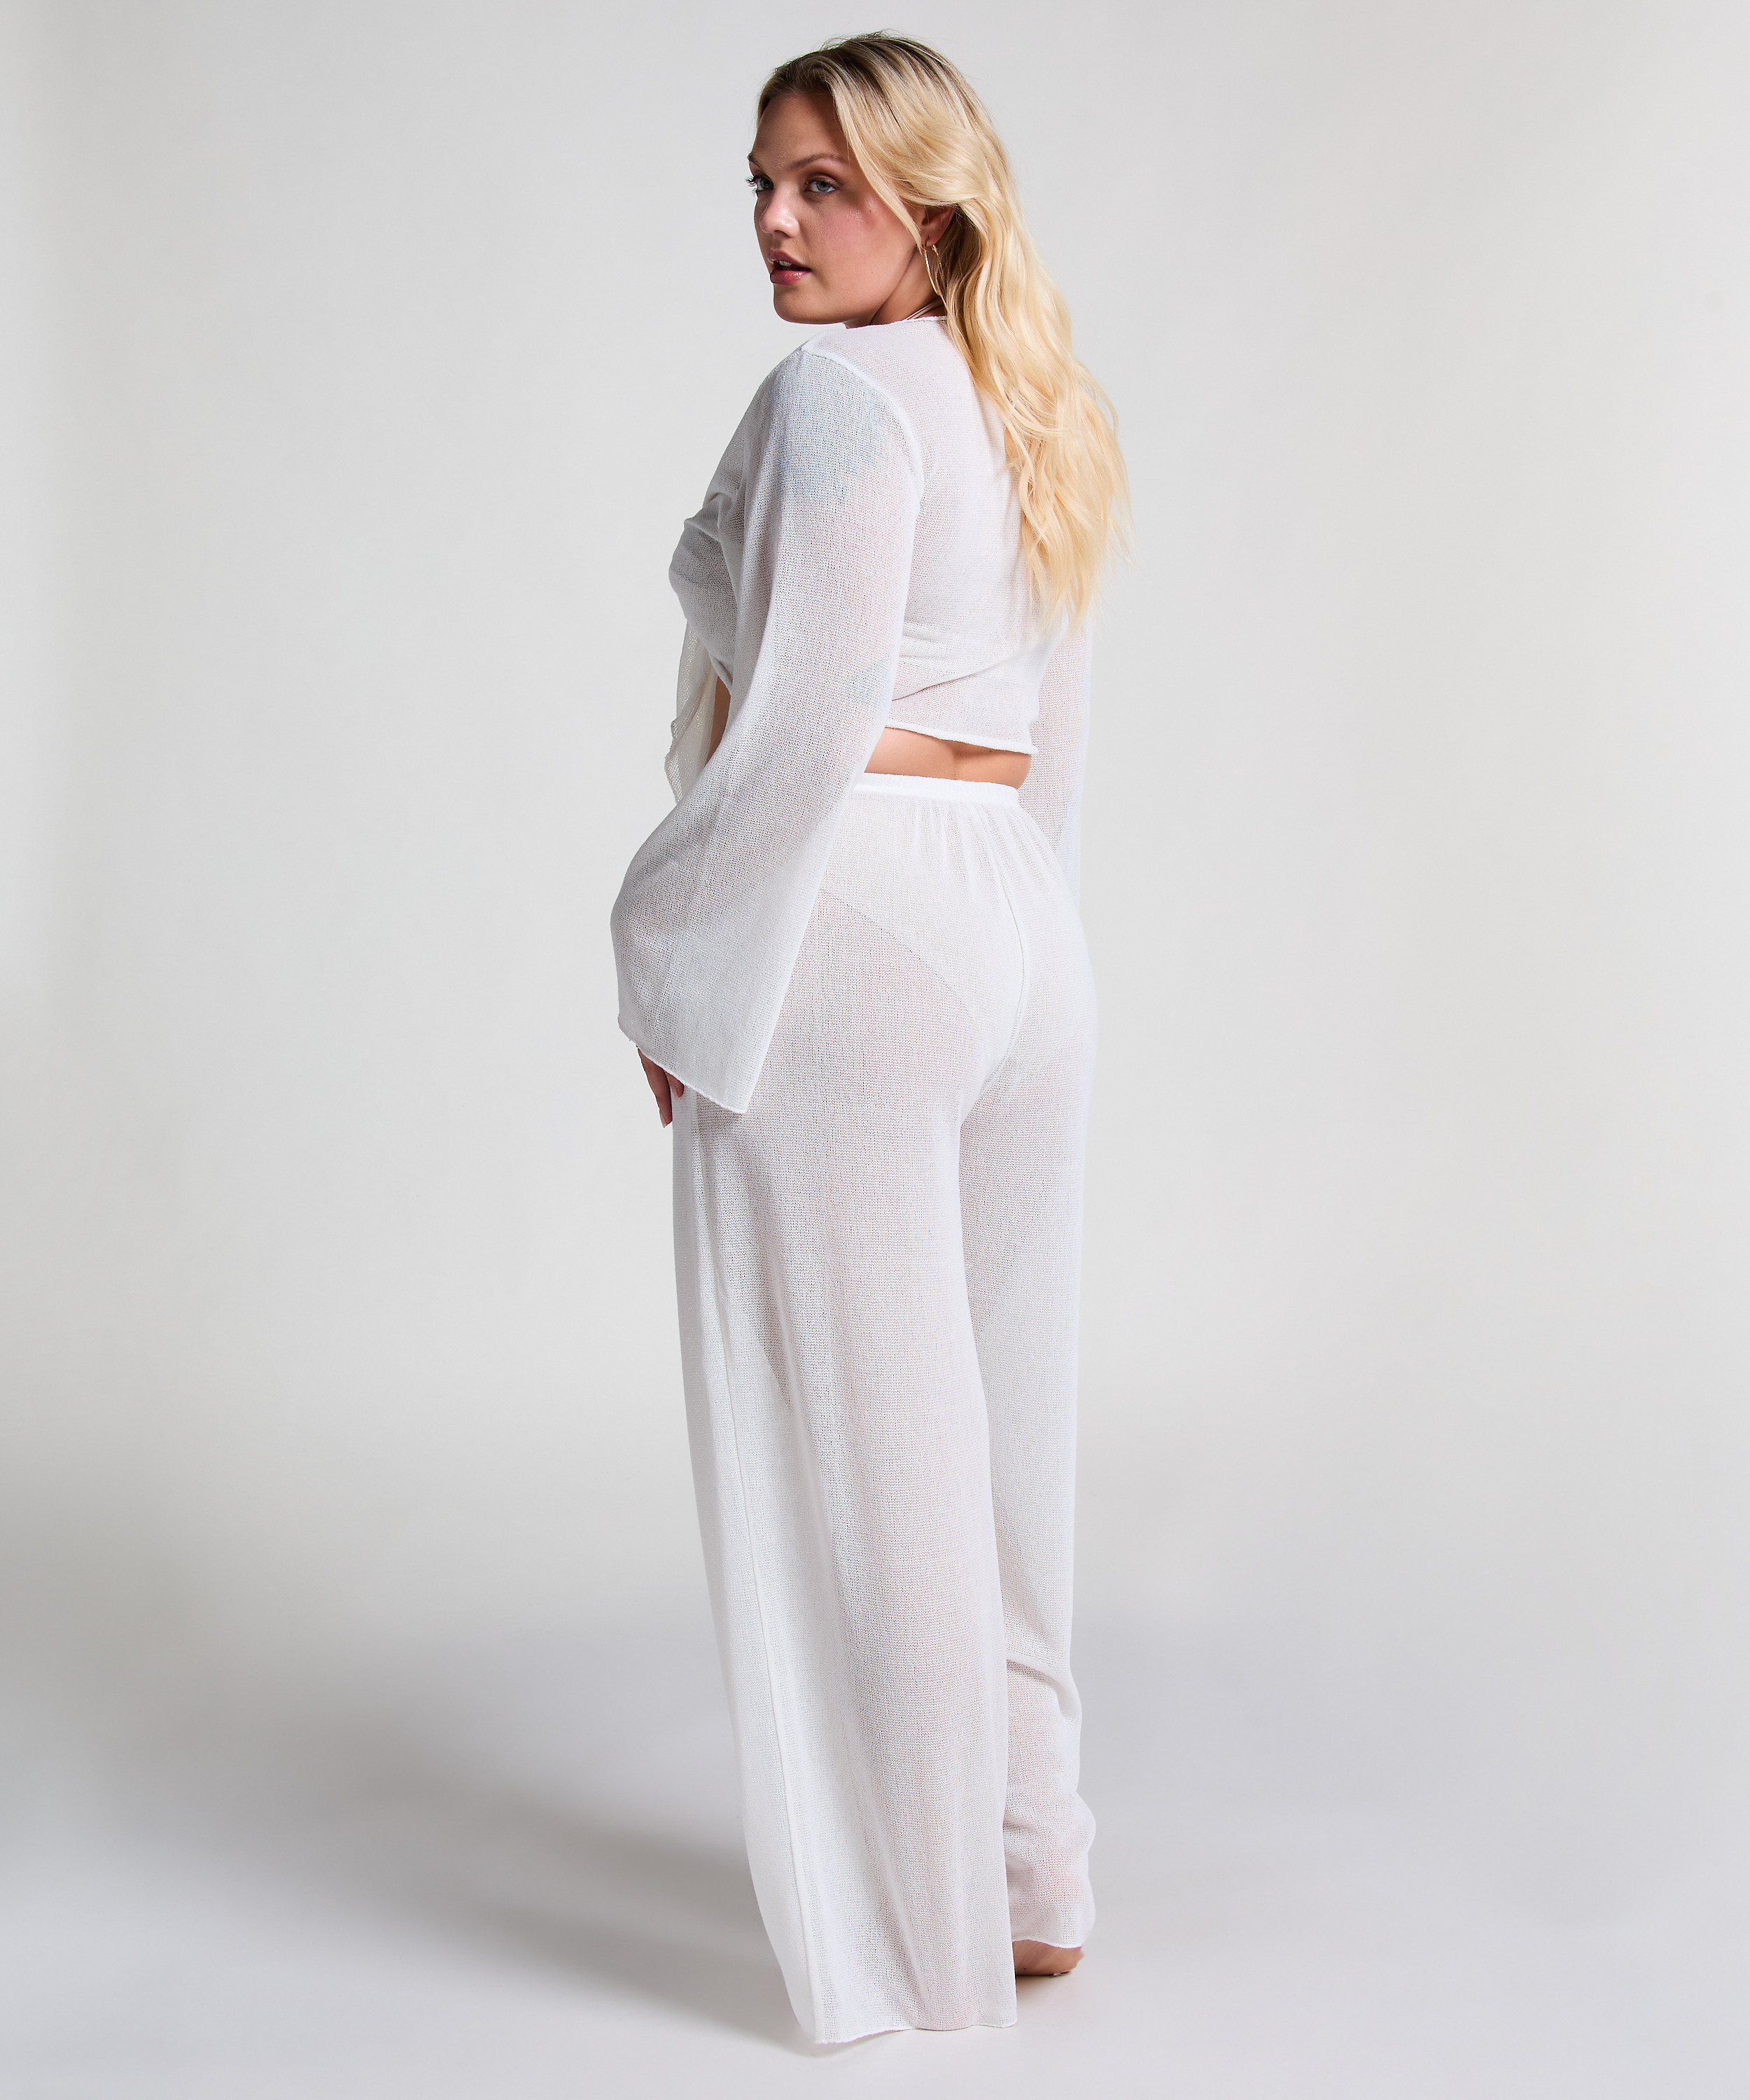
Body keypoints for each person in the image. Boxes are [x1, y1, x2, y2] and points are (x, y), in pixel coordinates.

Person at [610, 33, 1127, 2045]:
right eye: (758, 182)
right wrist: (1026, 952)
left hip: (852, 911)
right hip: (1014, 915)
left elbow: (808, 710)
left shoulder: (836, 397)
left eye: (821, 183)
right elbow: (1050, 725)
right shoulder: (1031, 398)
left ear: (927, 201)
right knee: (1007, 1434)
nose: (774, 219)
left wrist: (668, 942)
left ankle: (924, 1950)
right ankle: (1028, 1875)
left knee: (886, 1456)